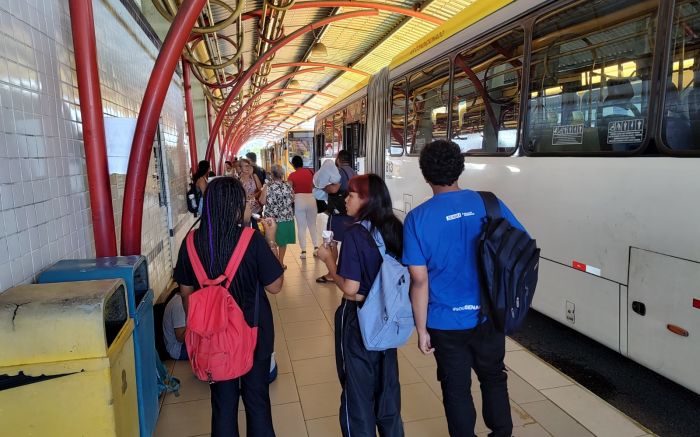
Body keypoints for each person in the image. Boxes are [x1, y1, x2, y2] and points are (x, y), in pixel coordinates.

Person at [403, 140, 527, 437]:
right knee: (494, 378)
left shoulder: (417, 218)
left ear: (425, 174)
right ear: (460, 168)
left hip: (445, 322)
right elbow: (520, 244)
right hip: (488, 315)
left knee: (456, 389)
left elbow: (419, 281)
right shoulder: (488, 203)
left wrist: (421, 330)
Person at [174, 177, 284, 437]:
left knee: (223, 406)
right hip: (254, 334)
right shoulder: (251, 240)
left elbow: (186, 291)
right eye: (246, 201)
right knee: (257, 402)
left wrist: (204, 324)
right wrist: (271, 239)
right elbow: (275, 286)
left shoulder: (190, 243)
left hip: (213, 339)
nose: (249, 205)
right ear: (235, 206)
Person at [316, 174, 404, 437]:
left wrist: (329, 260)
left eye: (352, 194)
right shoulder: (394, 228)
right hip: (388, 316)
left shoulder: (355, 232)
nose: (346, 199)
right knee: (387, 388)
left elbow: (351, 287)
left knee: (357, 391)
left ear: (367, 199)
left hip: (357, 316)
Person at [317, 150, 356, 284]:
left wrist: (324, 187)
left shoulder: (338, 172)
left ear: (338, 159)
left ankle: (331, 274)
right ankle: (345, 271)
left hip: (338, 213)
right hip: (350, 212)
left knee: (332, 242)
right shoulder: (352, 171)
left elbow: (334, 189)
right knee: (346, 241)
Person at [260, 164, 295, 269]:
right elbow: (293, 199)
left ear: (272, 174)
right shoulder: (288, 185)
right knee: (283, 243)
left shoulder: (268, 187)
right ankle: (280, 263)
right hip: (286, 218)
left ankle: (273, 263)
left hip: (271, 219)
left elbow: (262, 201)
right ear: (282, 174)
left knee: (271, 242)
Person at [287, 155, 319, 259]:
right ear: (302, 163)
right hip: (311, 199)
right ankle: (316, 248)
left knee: (301, 226)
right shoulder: (311, 172)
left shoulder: (292, 175)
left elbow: (289, 189)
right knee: (312, 225)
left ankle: (304, 252)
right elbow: (314, 186)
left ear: (293, 165)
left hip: (299, 200)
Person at [162, 289, 188, 360]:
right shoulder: (179, 304)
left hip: (178, 345)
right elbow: (180, 338)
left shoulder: (180, 299)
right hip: (178, 349)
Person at [239, 157, 263, 223]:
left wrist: (254, 195)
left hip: (256, 209)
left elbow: (261, 190)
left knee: (257, 229)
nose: (248, 168)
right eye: (246, 166)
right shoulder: (238, 179)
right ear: (240, 168)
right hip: (244, 209)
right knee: (247, 229)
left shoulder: (254, 176)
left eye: (249, 166)